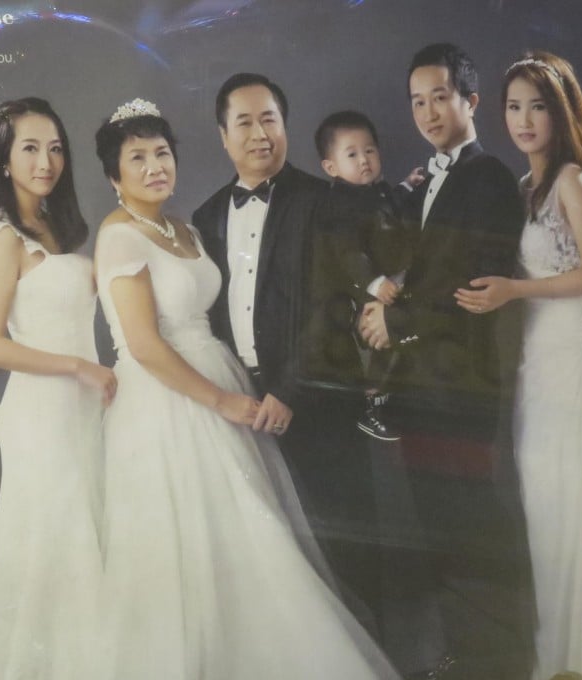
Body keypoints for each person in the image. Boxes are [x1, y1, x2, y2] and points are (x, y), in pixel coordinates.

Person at [91, 98, 401, 680]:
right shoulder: (119, 236)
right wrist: (222, 400)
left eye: (162, 153)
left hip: (231, 387)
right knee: (193, 552)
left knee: (256, 542)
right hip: (170, 405)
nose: (155, 167)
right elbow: (145, 345)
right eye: (137, 158)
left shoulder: (187, 228)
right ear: (114, 176)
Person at [357, 44, 529, 677]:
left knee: (471, 526)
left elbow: (471, 287)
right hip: (428, 385)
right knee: (442, 527)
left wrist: (394, 322)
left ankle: (499, 660)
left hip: (461, 386)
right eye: (417, 101)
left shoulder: (487, 178)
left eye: (440, 97)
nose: (428, 112)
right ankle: (466, 655)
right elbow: (424, 269)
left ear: (470, 100)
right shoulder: (431, 178)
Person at [191, 73, 378, 628]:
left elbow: (333, 307)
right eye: (244, 122)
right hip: (243, 408)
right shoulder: (205, 217)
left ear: (285, 125)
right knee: (271, 560)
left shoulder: (325, 201)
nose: (259, 134)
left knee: (348, 545)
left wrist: (289, 391)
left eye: (269, 119)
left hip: (316, 403)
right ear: (223, 135)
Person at [454, 50, 582, 680]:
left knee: (574, 516)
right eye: (514, 107)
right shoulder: (522, 188)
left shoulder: (571, 180)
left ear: (560, 113)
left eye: (537, 107)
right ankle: (558, 658)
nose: (523, 120)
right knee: (545, 520)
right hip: (532, 369)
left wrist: (515, 290)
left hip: (571, 364)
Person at [0, 97, 116, 679]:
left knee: (96, 545)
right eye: (29, 148)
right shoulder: (3, 237)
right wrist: (77, 367)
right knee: (57, 551)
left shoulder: (58, 227)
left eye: (55, 148)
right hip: (44, 417)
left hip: (87, 410)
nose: (46, 161)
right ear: (3, 159)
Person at [313, 109, 422, 441]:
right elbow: (348, 251)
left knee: (399, 345)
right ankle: (371, 406)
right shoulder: (340, 204)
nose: (364, 160)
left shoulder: (377, 189)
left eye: (370, 150)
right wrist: (374, 283)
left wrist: (406, 186)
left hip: (396, 277)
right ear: (331, 167)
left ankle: (388, 402)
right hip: (369, 287)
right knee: (378, 347)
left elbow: (389, 202)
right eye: (352, 154)